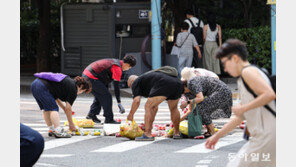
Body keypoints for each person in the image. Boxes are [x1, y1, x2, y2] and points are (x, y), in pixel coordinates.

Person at [206, 39, 276, 166]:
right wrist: (217, 136)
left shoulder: (247, 72)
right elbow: (240, 117)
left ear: (235, 58)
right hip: (266, 136)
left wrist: (244, 108)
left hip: (265, 137)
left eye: (225, 64)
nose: (225, 69)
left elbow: (269, 94)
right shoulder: (249, 74)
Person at [127, 70, 183, 141]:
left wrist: (131, 114)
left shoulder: (136, 82)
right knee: (174, 108)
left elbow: (136, 101)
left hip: (164, 82)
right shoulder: (147, 81)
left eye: (130, 86)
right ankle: (177, 133)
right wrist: (149, 124)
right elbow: (155, 107)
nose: (132, 89)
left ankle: (147, 134)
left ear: (131, 82)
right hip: (177, 82)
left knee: (148, 106)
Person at [31, 73, 92, 138]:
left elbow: (56, 98)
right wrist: (71, 124)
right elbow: (68, 108)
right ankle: (58, 130)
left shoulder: (69, 83)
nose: (81, 93)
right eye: (83, 91)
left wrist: (64, 108)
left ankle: (51, 129)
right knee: (53, 109)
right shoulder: (73, 89)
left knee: (47, 109)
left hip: (35, 84)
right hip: (43, 86)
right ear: (81, 86)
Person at [82, 55, 136, 124]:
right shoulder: (117, 68)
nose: (128, 69)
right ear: (127, 64)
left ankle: (91, 115)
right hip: (90, 76)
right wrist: (119, 102)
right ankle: (109, 119)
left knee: (101, 95)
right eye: (129, 67)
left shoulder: (116, 62)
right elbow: (116, 87)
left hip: (88, 74)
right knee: (107, 96)